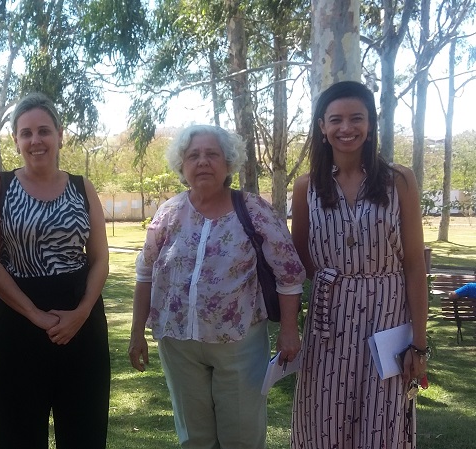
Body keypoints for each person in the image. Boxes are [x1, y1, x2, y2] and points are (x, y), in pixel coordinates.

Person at [128, 124, 306, 449]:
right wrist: (137, 332)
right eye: (193, 155)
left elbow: (290, 274)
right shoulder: (169, 212)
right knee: (195, 438)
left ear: (228, 163)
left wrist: (289, 330)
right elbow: (145, 273)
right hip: (179, 344)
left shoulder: (253, 210)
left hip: (238, 342)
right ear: (182, 165)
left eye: (212, 154)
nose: (203, 162)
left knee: (241, 436)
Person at [290, 80, 429, 448]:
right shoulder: (307, 187)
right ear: (322, 126)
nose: (346, 128)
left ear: (370, 126)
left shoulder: (399, 180)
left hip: (387, 317)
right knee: (323, 420)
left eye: (356, 118)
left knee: (382, 421)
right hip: (328, 320)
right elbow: (299, 258)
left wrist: (419, 342)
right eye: (335, 119)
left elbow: (415, 264)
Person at [0, 92, 110, 448]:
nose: (36, 140)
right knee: (12, 431)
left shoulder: (83, 187)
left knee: (84, 427)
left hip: (81, 320)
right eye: (26, 133)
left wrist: (81, 313)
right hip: (15, 319)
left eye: (44, 131)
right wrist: (35, 315)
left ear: (60, 135)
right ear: (16, 140)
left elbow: (99, 258)